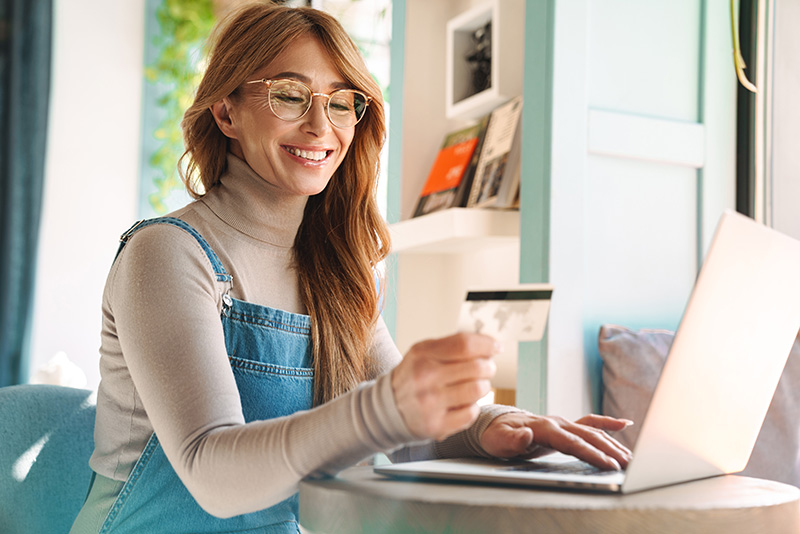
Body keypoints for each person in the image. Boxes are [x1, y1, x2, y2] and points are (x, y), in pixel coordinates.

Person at [70, 3, 631, 533]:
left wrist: (494, 425)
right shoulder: (167, 253)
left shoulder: (333, 272)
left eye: (342, 102)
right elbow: (212, 474)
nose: (322, 126)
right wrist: (389, 408)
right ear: (226, 112)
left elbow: (413, 433)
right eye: (290, 95)